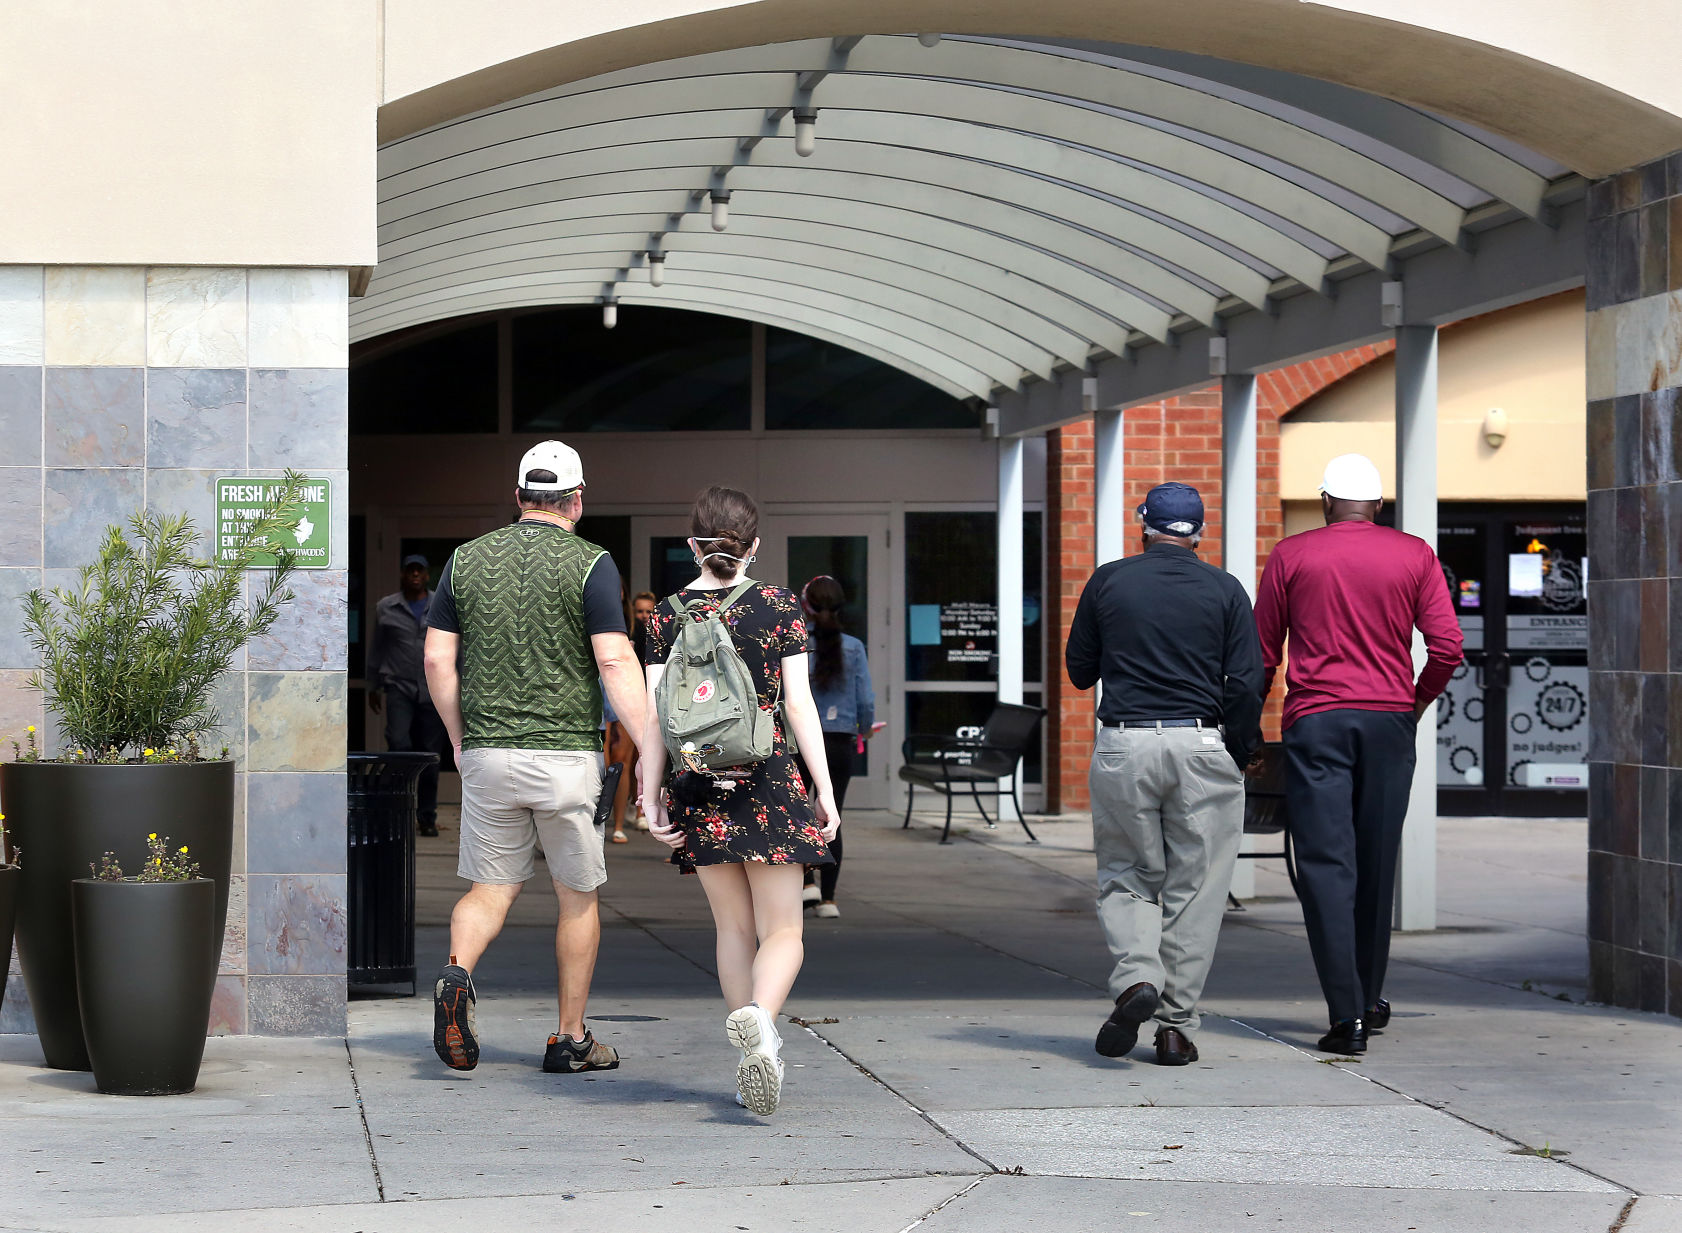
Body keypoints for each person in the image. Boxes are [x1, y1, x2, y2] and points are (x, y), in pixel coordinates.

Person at [423, 440, 647, 1076]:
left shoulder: (465, 560)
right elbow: (613, 660)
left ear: (519, 497)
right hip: (566, 758)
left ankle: (457, 975)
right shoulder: (592, 563)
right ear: (577, 501)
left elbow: (437, 659)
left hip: (489, 753)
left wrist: (460, 738)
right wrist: (652, 745)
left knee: (488, 890)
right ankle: (570, 1040)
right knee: (577, 897)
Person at [1253, 453, 1462, 1056]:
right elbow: (1448, 648)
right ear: (1378, 504)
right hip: (1389, 721)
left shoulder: (1291, 555)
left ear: (1325, 501)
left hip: (1317, 722)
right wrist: (1414, 704)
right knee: (1376, 859)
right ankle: (1368, 998)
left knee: (1325, 864)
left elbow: (1263, 654)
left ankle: (1347, 1016)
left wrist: (1246, 728)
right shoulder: (1415, 554)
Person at [639, 485, 839, 1115]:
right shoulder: (778, 605)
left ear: (691, 544)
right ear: (754, 546)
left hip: (698, 782)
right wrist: (824, 789)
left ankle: (753, 1046)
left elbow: (656, 717)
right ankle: (763, 1022)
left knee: (732, 928)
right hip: (769, 778)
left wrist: (649, 795)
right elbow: (800, 706)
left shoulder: (664, 615)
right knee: (785, 929)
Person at [1065, 481, 1263, 1067]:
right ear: (1199, 533)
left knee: (1127, 874)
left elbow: (1079, 671)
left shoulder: (1108, 580)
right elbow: (1246, 681)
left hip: (1125, 744)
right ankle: (1175, 1028)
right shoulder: (1226, 589)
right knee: (1195, 890)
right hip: (1201, 743)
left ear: (1143, 525)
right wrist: (1242, 747)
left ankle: (1137, 978)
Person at [796, 575, 874, 920]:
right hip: (840, 740)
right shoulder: (854, 646)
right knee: (831, 816)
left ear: (806, 606)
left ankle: (805, 882)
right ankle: (828, 900)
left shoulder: (797, 642)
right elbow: (865, 700)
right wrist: (865, 729)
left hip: (800, 739)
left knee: (796, 814)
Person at [366, 553, 449, 836]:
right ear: (403, 574)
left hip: (433, 688)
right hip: (399, 686)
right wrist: (372, 685)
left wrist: (458, 685)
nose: (415, 575)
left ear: (426, 576)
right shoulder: (386, 607)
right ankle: (397, 813)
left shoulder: (441, 603)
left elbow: (454, 646)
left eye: (419, 571)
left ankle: (427, 817)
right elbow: (377, 648)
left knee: (430, 755)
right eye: (410, 570)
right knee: (399, 745)